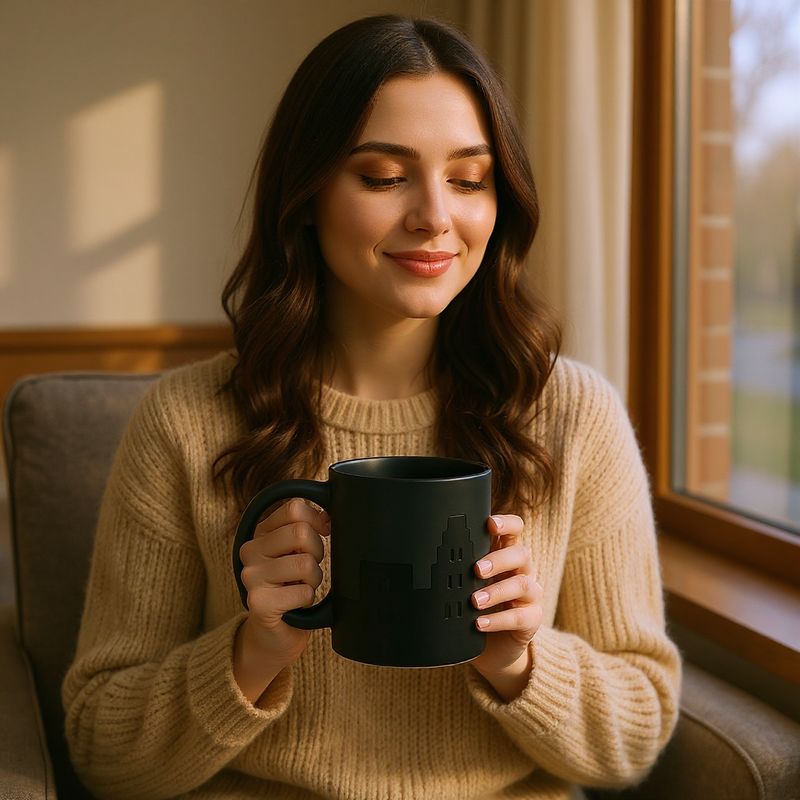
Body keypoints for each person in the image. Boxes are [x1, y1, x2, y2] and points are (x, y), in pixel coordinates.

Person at [62, 14, 680, 800]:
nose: (435, 216)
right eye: (385, 176)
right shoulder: (185, 422)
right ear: (307, 194)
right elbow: (100, 747)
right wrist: (252, 653)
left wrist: (521, 660)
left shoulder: (573, 416)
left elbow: (638, 736)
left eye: (468, 178)